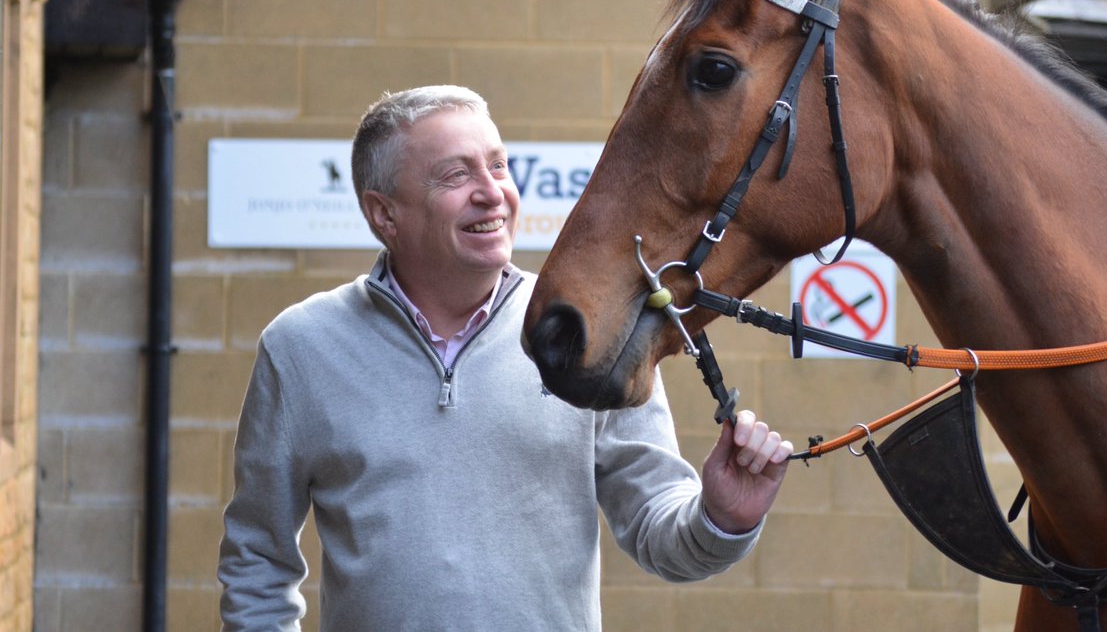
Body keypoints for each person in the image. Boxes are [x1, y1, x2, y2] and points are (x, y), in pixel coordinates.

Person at [218, 85, 793, 632]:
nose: (492, 191)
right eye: (455, 174)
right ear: (384, 215)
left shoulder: (587, 329)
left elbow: (659, 531)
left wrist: (723, 519)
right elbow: (257, 560)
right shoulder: (300, 347)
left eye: (498, 166)